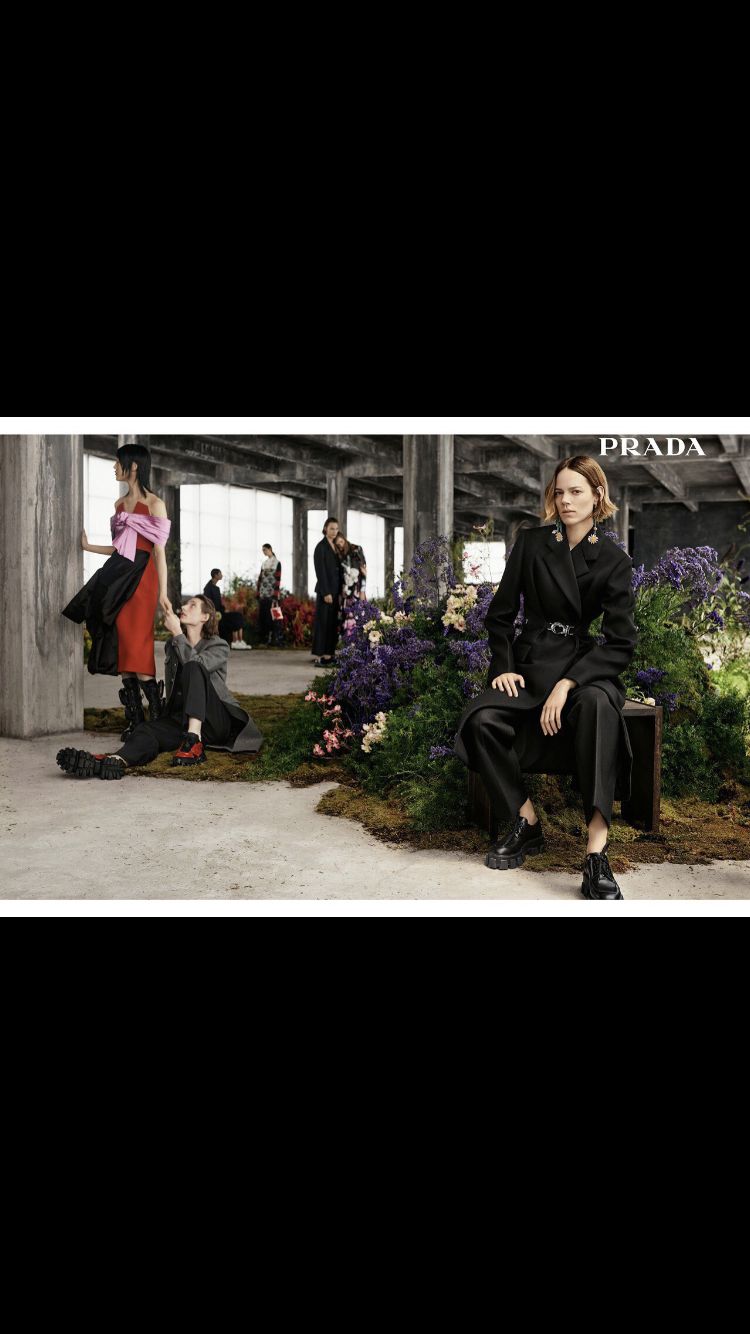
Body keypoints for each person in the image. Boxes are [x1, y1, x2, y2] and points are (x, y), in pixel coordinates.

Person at [453, 456, 638, 901]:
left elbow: (620, 643)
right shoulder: (532, 543)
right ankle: (526, 822)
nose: (566, 500)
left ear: (597, 495)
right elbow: (499, 617)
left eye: (577, 491)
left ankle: (596, 853)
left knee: (598, 705)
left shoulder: (613, 559)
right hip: (530, 662)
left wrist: (569, 682)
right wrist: (504, 667)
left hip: (583, 666)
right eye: (560, 492)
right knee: (481, 721)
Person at [57, 595, 263, 779]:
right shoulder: (172, 646)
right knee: (147, 729)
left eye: (192, 605)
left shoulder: (218, 645)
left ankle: (194, 741)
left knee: (193, 666)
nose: (184, 606)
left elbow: (196, 665)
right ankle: (115, 761)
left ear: (205, 617)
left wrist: (177, 633)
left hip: (215, 721)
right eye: (186, 603)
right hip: (182, 716)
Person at [62, 443, 172, 741]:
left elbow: (159, 552)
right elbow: (119, 548)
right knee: (120, 640)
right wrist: (88, 547)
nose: (114, 466)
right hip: (117, 574)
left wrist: (163, 593)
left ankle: (157, 721)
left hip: (143, 578)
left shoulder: (155, 504)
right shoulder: (118, 506)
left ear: (134, 466)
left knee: (138, 641)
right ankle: (136, 720)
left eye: (118, 462)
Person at [312, 518, 343, 666]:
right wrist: (326, 593)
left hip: (336, 592)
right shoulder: (321, 547)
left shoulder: (336, 546)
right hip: (326, 593)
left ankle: (330, 654)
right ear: (325, 528)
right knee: (323, 624)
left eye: (336, 529)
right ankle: (321, 656)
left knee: (332, 624)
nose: (334, 531)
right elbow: (320, 572)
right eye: (331, 528)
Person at [204, 569, 248, 650]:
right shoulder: (208, 588)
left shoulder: (216, 588)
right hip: (214, 614)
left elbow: (219, 603)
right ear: (216, 575)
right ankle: (235, 641)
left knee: (238, 615)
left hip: (220, 612)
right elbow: (208, 603)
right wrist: (214, 612)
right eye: (220, 574)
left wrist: (223, 610)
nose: (222, 575)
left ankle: (238, 641)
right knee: (233, 618)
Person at [334, 533, 367, 639]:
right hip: (346, 592)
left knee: (359, 616)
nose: (340, 545)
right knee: (346, 618)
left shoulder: (356, 549)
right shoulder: (339, 555)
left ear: (345, 539)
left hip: (357, 590)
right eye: (337, 543)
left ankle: (358, 646)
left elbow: (364, 573)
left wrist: (362, 590)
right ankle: (348, 646)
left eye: (341, 541)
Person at [257, 545, 284, 648]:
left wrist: (276, 595)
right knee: (264, 617)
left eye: (265, 550)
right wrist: (258, 593)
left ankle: (277, 639)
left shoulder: (277, 563)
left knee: (276, 616)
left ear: (270, 549)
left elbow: (278, 579)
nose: (264, 552)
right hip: (263, 595)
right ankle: (265, 640)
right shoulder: (264, 564)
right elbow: (260, 579)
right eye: (262, 550)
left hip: (273, 595)